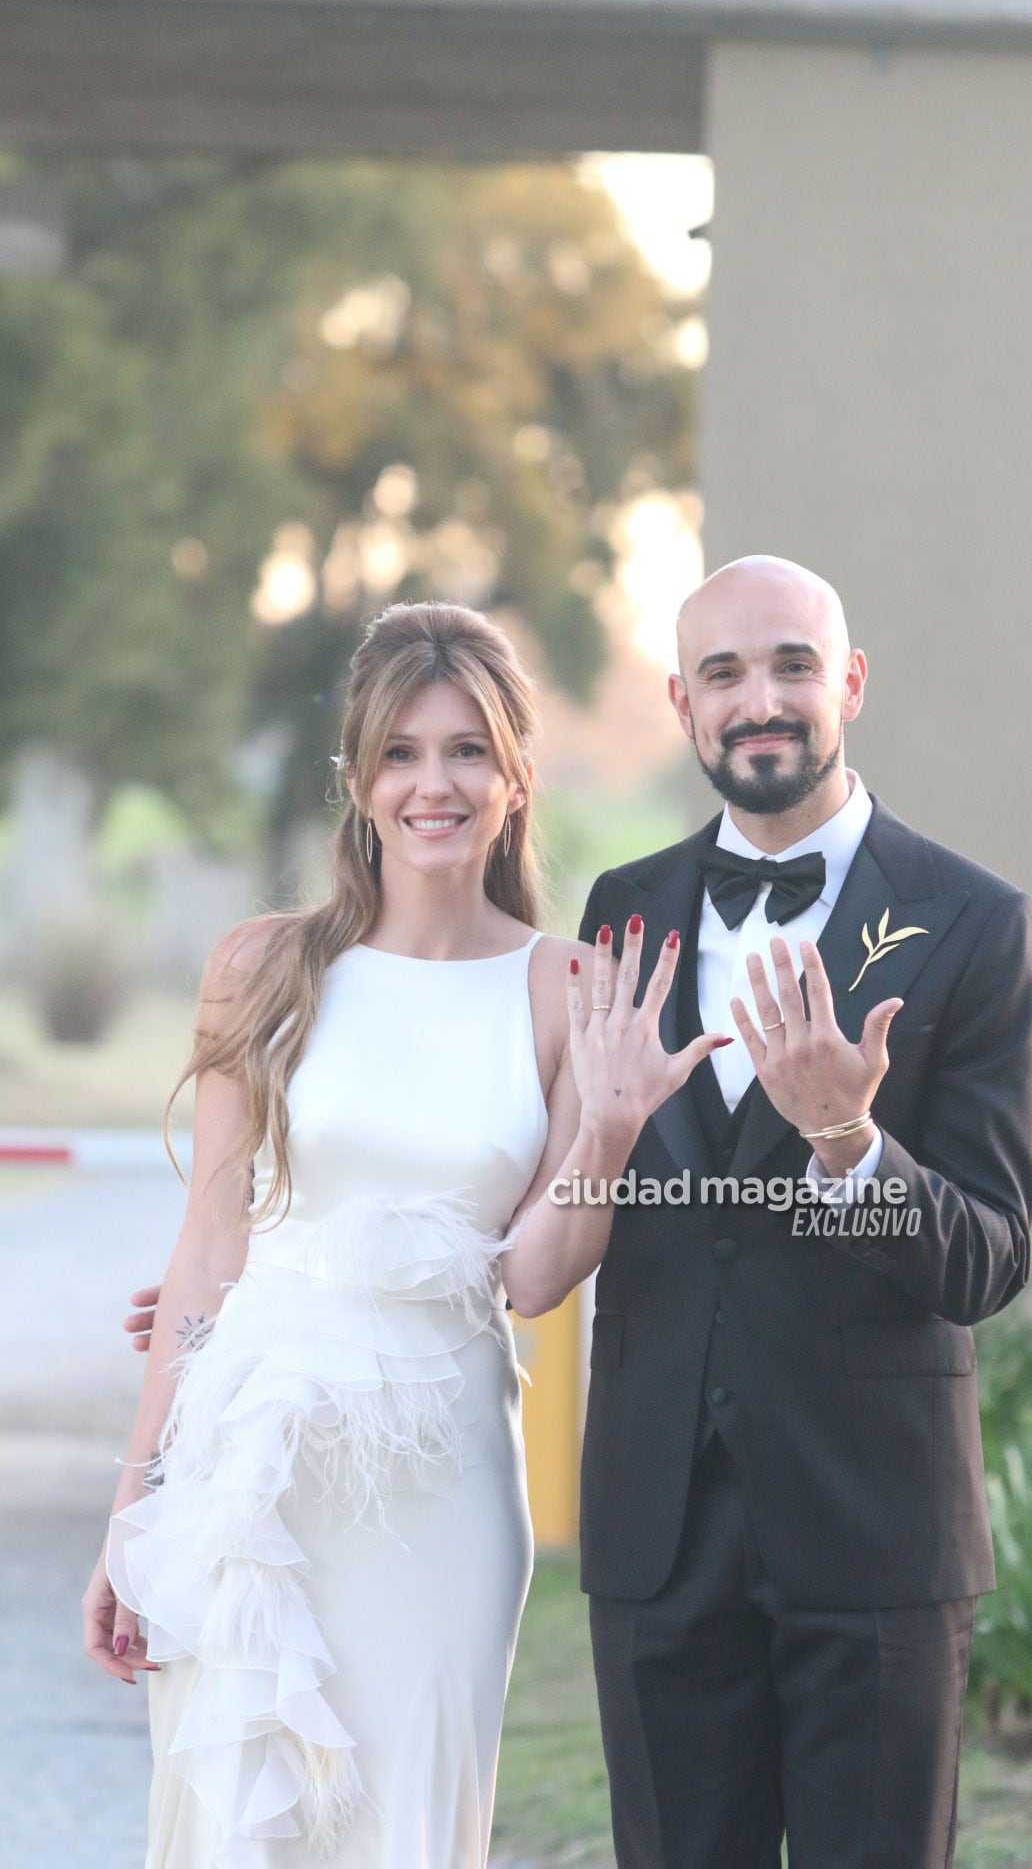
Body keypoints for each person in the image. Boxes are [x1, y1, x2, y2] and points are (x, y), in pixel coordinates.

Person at [82, 599, 728, 1869]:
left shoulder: (565, 987)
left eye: (467, 751)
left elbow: (535, 1281)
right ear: (358, 778)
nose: (433, 784)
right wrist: (132, 1509)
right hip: (249, 1473)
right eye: (400, 752)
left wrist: (603, 1134)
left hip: (440, 1491)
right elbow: (208, 1254)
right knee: (234, 1832)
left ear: (516, 777)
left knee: (407, 1832)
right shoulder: (259, 969)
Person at [576, 556, 1032, 1869]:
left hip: (877, 1531)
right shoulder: (621, 914)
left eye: (791, 664)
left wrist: (849, 1141)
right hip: (658, 1530)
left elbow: (991, 1258)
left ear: (847, 682)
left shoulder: (975, 923)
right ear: (682, 703)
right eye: (723, 672)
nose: (760, 698)